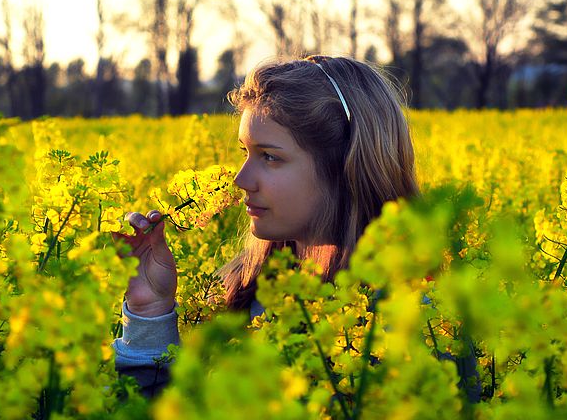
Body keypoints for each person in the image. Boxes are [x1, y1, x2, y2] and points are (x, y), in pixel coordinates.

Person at [110, 54, 481, 402]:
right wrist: (151, 310)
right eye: (245, 153)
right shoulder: (244, 290)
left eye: (270, 157)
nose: (242, 179)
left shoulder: (419, 318)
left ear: (345, 167)